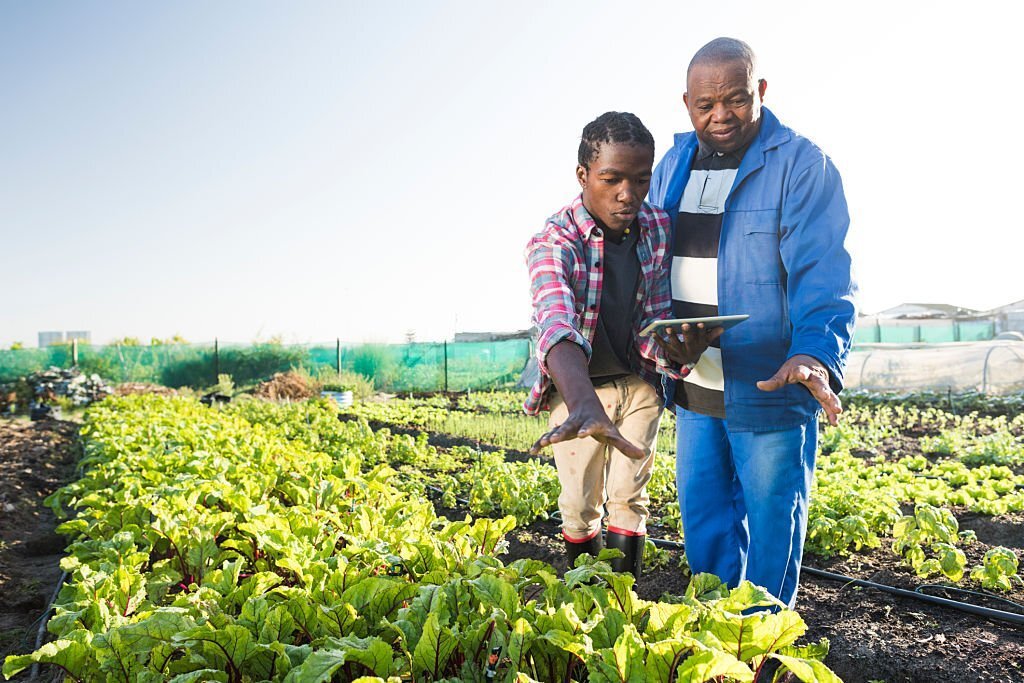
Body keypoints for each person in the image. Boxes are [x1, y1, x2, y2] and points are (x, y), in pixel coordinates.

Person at [646, 37, 857, 608]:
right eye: (705, 104)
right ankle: (716, 643)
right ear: (686, 103)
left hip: (769, 381)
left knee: (771, 535)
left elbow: (824, 273)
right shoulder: (672, 166)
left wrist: (815, 351)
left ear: (759, 92)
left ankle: (760, 648)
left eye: (736, 100)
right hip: (695, 384)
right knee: (705, 528)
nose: (720, 116)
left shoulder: (799, 164)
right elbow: (648, 260)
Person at [524, 111, 717, 580]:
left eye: (640, 179)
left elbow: (651, 316)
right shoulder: (554, 240)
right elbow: (556, 324)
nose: (626, 194)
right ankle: (581, 597)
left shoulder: (654, 227)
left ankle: (621, 600)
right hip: (577, 393)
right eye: (611, 179)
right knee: (579, 504)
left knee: (630, 499)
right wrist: (583, 404)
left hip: (637, 386)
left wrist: (677, 352)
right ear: (584, 176)